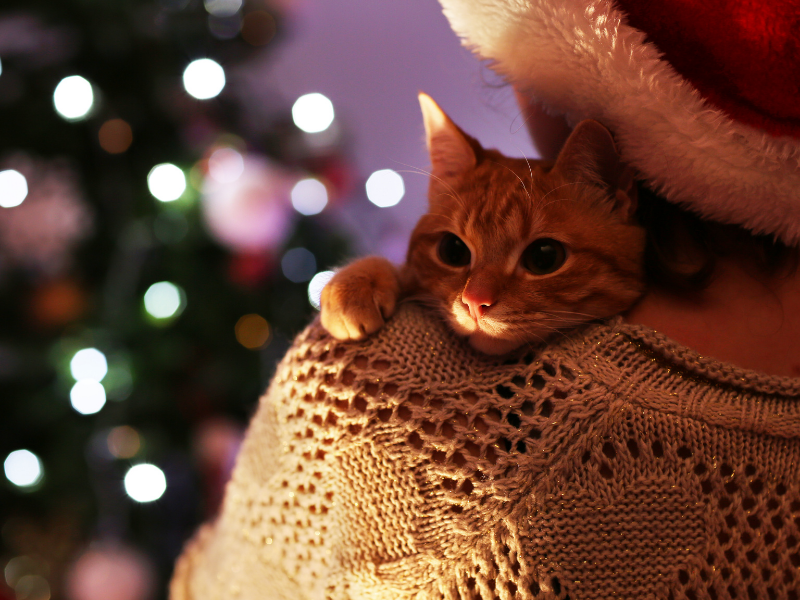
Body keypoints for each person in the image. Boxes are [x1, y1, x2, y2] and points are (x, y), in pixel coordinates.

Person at [170, 0, 800, 598]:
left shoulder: (379, 384)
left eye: (543, 258)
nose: (479, 297)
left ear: (617, 194)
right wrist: (389, 274)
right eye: (454, 252)